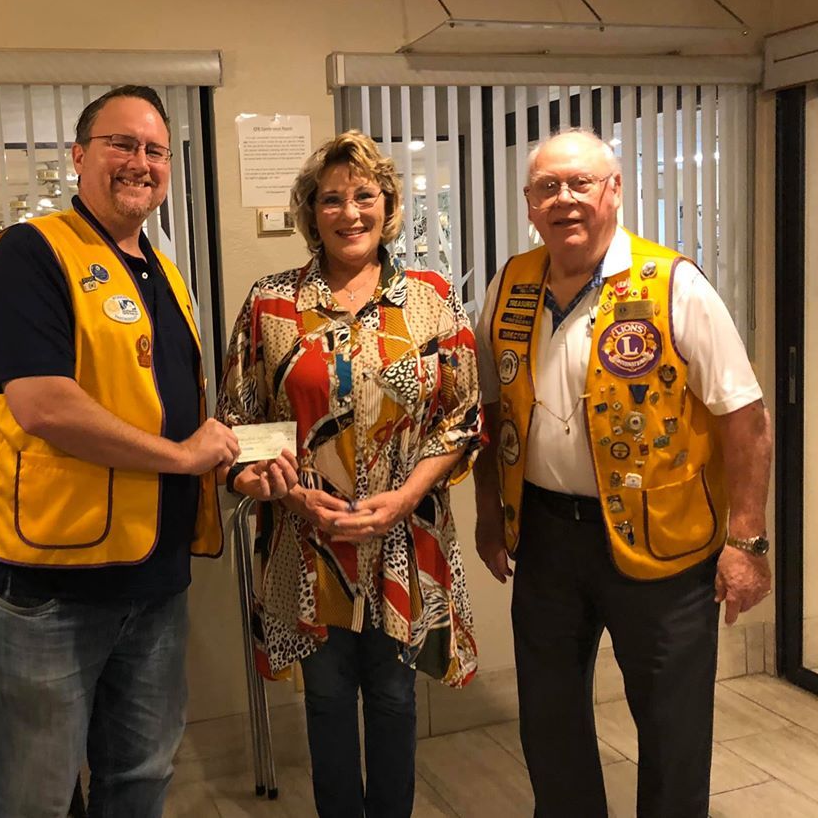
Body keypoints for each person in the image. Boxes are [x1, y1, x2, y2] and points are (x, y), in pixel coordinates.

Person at [0, 85, 297, 817]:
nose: (139, 162)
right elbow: (43, 404)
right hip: (51, 585)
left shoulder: (161, 268)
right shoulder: (30, 252)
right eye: (121, 143)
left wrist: (228, 457)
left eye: (154, 150)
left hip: (151, 579)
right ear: (79, 155)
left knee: (139, 779)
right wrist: (183, 457)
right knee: (32, 798)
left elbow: (165, 407)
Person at [473, 128, 772, 818]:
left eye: (581, 183)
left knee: (672, 727)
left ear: (614, 191)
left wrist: (748, 541)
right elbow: (492, 411)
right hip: (547, 538)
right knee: (549, 723)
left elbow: (745, 418)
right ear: (528, 204)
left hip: (664, 544)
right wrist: (491, 516)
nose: (565, 200)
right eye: (548, 187)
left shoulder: (674, 285)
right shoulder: (510, 284)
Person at [217, 130, 482, 818]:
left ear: (388, 203)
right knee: (329, 704)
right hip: (308, 545)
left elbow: (462, 418)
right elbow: (240, 423)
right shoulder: (271, 304)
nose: (349, 212)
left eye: (364, 195)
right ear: (311, 213)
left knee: (395, 700)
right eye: (331, 199)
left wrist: (405, 497)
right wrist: (286, 490)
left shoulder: (429, 298)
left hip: (402, 540)